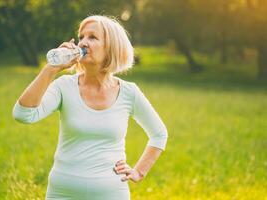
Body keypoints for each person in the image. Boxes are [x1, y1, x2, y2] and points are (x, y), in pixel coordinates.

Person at [12, 15, 168, 200]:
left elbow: (159, 134)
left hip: (112, 193)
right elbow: (23, 114)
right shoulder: (64, 87)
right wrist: (51, 69)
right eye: (81, 37)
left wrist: (138, 172)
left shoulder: (129, 92)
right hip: (63, 192)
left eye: (92, 37)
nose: (83, 43)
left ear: (111, 47)